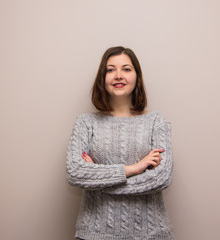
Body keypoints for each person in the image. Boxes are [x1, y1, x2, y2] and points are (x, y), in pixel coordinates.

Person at [66, 46, 174, 240]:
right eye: (110, 69)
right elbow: (75, 172)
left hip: (151, 234)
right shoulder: (85, 122)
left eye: (126, 69)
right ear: (102, 78)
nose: (118, 75)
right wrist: (134, 168)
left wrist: (98, 180)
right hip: (94, 234)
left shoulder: (156, 121)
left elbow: (161, 178)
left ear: (137, 76)